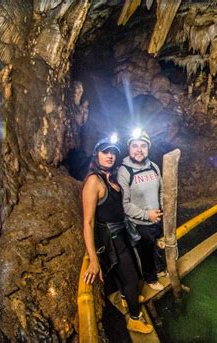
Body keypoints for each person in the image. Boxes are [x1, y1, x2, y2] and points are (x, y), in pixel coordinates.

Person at [81, 136, 154, 334]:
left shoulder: (110, 178)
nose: (110, 156)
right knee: (131, 279)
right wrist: (94, 259)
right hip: (111, 239)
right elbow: (87, 223)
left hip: (122, 233)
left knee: (128, 275)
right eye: (105, 152)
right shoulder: (93, 181)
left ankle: (125, 298)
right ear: (97, 155)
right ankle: (135, 319)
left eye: (113, 152)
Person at [118, 129, 166, 291]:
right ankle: (150, 279)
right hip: (140, 222)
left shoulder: (153, 166)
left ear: (148, 148)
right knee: (145, 251)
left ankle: (159, 269)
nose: (139, 150)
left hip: (157, 217)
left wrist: (160, 209)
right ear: (129, 148)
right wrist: (147, 215)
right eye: (135, 146)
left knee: (157, 246)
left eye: (143, 146)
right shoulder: (124, 171)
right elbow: (124, 204)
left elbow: (161, 190)